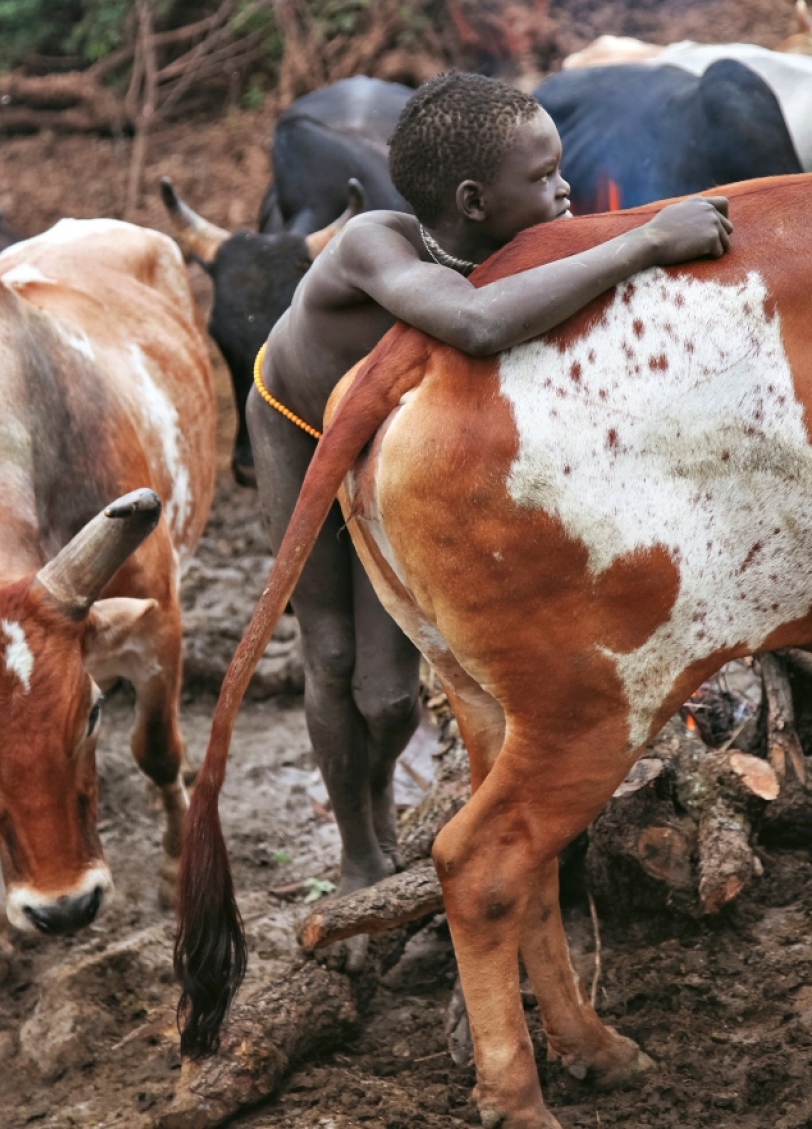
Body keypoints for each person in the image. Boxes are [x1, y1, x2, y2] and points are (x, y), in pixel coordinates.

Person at [249, 72, 733, 900]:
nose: (565, 187)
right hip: (301, 431)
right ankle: (359, 847)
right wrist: (647, 240)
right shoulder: (375, 243)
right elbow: (476, 324)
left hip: (387, 448)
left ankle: (384, 811)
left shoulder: (517, 253)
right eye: (542, 177)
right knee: (329, 653)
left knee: (391, 692)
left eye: (560, 168)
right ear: (474, 201)